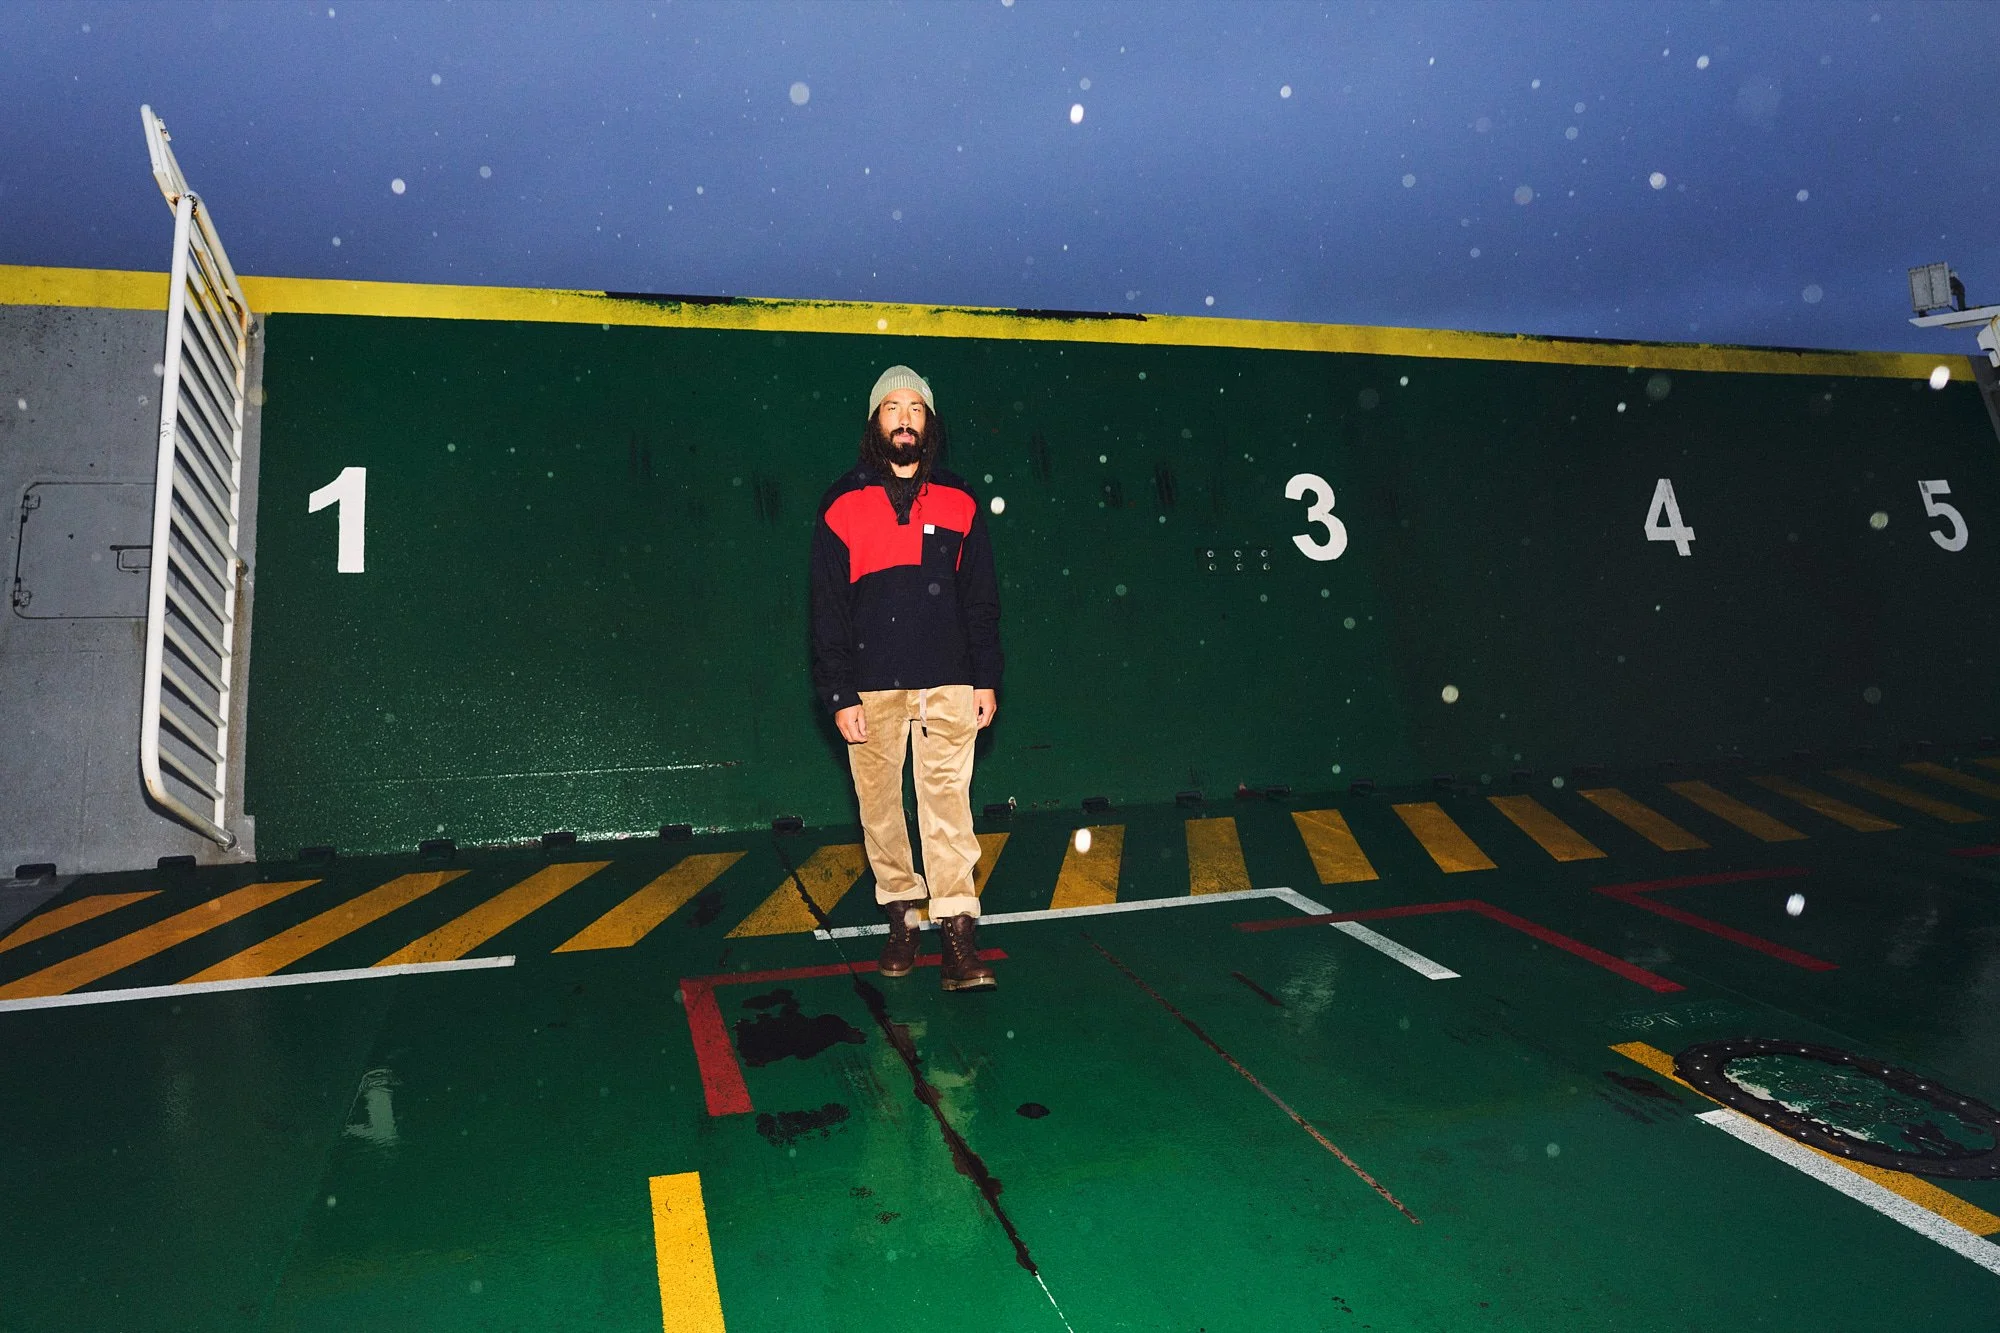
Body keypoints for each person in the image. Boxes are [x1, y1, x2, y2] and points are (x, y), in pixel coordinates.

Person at [810, 366, 1002, 992]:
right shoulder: (842, 501)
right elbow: (827, 606)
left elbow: (981, 599)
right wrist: (838, 692)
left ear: (929, 424)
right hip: (871, 685)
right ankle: (901, 917)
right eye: (892, 408)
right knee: (880, 809)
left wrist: (985, 678)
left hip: (948, 680)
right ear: (875, 422)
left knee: (948, 807)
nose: (903, 419)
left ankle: (957, 935)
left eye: (915, 409)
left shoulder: (960, 498)